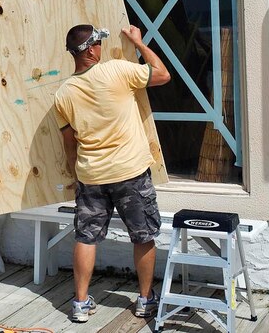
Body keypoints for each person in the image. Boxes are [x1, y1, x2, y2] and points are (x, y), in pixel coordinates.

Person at [53, 24, 171, 322]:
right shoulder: (118, 71)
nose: (102, 48)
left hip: (91, 175)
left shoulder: (63, 94)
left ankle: (80, 304)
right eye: (99, 44)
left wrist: (75, 174)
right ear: (91, 49)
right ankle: (145, 300)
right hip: (130, 170)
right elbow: (162, 74)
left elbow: (69, 144)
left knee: (86, 237)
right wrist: (139, 43)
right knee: (142, 236)